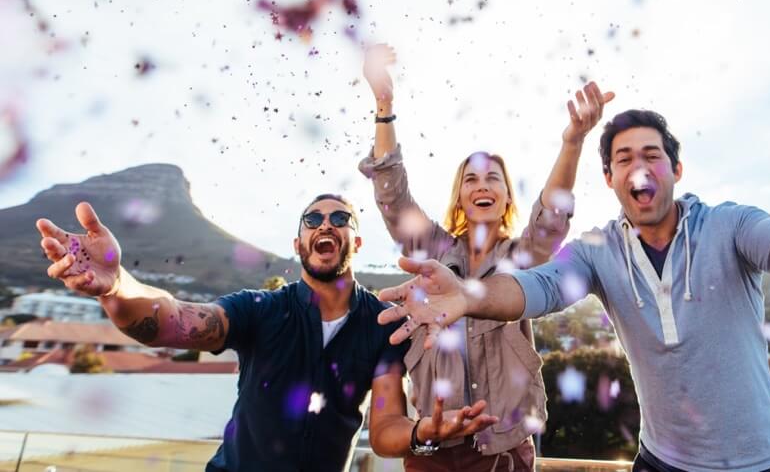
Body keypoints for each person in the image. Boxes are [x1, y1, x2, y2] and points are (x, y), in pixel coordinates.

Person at [376, 111, 770, 472]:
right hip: (660, 463)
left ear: (676, 169)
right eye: (624, 158)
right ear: (611, 178)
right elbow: (539, 288)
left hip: (762, 464)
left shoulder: (728, 225)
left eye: (653, 154)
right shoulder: (599, 251)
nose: (640, 167)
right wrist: (472, 297)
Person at [37, 194, 497, 472]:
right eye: (313, 220)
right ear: (298, 243)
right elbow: (173, 320)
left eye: (341, 220)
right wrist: (118, 286)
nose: (325, 225)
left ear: (355, 243)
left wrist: (423, 432)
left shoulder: (381, 324)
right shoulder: (259, 309)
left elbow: (385, 429)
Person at [357, 43, 614, 471]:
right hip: (431, 451)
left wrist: (573, 140)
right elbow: (392, 196)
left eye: (493, 178)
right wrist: (384, 106)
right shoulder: (431, 252)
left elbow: (552, 218)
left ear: (507, 196)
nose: (483, 185)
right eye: (471, 179)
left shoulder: (522, 257)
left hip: (505, 454)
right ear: (460, 196)